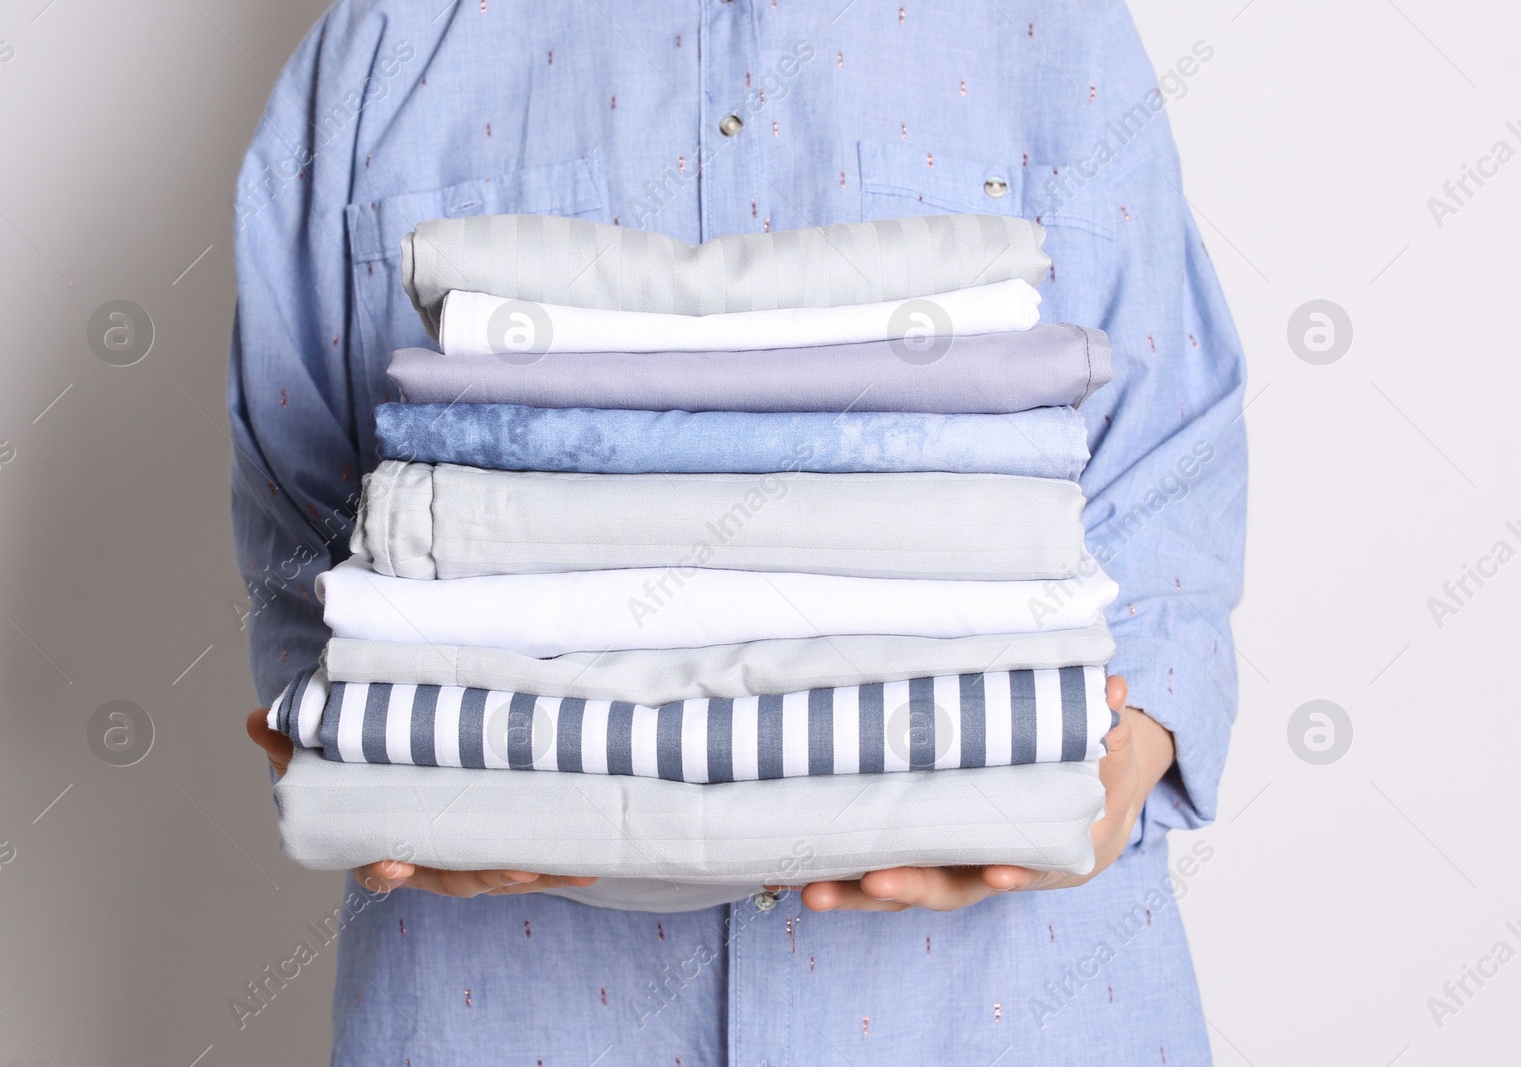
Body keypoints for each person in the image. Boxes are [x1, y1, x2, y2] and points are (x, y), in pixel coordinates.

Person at [233, 1, 1246, 1061]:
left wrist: (1127, 758)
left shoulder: (1048, 28)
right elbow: (297, 483)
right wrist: (374, 767)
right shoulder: (391, 38)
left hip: (999, 1001)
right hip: (499, 999)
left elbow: (1171, 451)